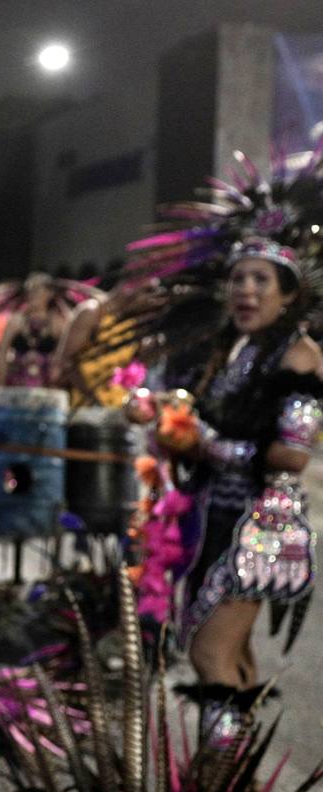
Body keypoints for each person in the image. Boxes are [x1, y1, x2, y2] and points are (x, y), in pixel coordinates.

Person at [135, 239, 323, 746]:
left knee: (208, 654)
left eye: (261, 279)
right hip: (211, 520)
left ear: (288, 294)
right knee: (231, 656)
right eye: (239, 278)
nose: (245, 289)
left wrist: (209, 444)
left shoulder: (300, 354)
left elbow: (292, 455)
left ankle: (215, 790)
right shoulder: (238, 349)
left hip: (261, 528)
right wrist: (169, 422)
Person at [0, 272, 72, 388]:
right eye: (29, 291)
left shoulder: (58, 323)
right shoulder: (15, 321)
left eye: (37, 290)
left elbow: (67, 358)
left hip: (48, 385)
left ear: (49, 293)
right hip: (17, 385)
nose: (32, 295)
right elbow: (2, 355)